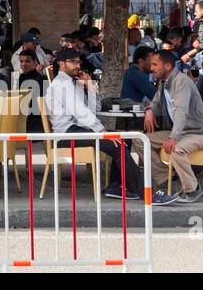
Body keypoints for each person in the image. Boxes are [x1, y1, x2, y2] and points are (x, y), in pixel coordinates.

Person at [47, 48, 143, 200]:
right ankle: (143, 191)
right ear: (61, 64)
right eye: (73, 62)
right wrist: (102, 131)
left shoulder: (73, 83)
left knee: (123, 139)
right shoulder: (61, 84)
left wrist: (90, 87)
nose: (78, 66)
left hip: (80, 129)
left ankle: (116, 185)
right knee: (116, 144)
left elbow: (93, 111)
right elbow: (80, 112)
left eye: (79, 62)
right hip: (66, 134)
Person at [143, 49, 203, 204]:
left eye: (155, 64)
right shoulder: (163, 83)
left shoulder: (181, 81)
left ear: (168, 66)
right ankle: (167, 180)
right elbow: (155, 103)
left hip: (199, 134)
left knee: (175, 148)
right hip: (181, 132)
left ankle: (192, 189)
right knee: (141, 141)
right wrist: (149, 110)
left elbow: (181, 111)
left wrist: (173, 137)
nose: (151, 68)